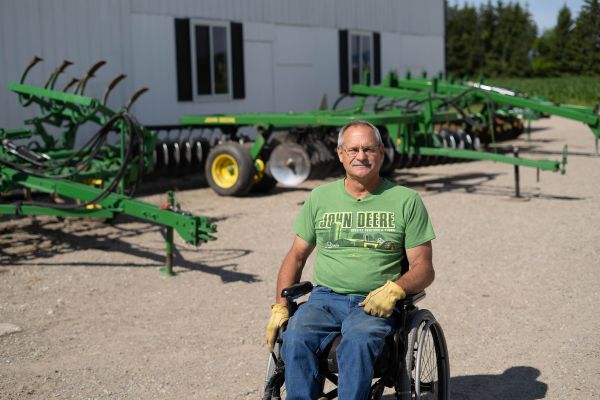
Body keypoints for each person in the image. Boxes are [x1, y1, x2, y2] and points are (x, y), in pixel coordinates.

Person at [265, 120, 436, 400]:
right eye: (353, 149)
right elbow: (295, 256)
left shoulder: (407, 201)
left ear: (381, 152)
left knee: (357, 341)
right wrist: (280, 307)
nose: (361, 156)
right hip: (324, 300)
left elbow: (424, 269)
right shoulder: (320, 198)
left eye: (368, 149)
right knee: (294, 337)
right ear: (340, 154)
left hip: (374, 302)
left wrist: (396, 289)